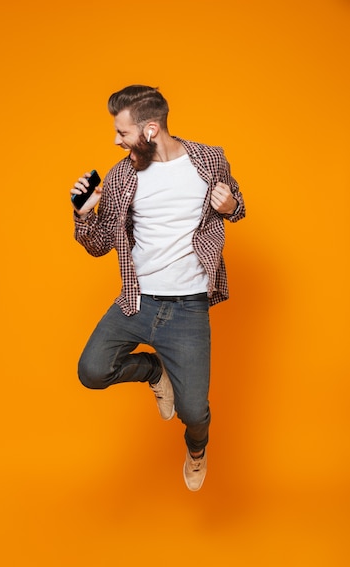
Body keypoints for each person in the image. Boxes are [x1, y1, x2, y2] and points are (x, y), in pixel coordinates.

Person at [70, 85, 245, 491]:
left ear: (151, 130)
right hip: (138, 301)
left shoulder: (209, 159)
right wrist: (82, 215)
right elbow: (99, 245)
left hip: (188, 309)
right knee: (92, 371)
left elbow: (237, 205)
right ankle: (152, 369)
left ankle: (197, 452)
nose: (116, 140)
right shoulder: (119, 177)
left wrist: (230, 207)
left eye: (123, 132)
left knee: (195, 413)